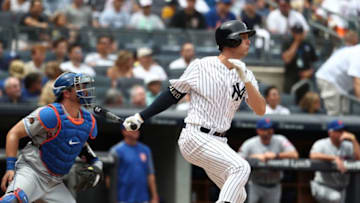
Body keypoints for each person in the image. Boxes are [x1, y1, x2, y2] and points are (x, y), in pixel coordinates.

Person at [123, 20, 266, 203]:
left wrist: (246, 79)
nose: (249, 42)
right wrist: (141, 117)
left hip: (219, 141)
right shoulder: (202, 66)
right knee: (241, 168)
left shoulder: (246, 73)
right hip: (196, 135)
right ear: (231, 41)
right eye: (244, 37)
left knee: (239, 196)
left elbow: (260, 110)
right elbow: (173, 94)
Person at [0, 72, 102, 203]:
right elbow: (14, 133)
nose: (85, 90)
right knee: (13, 200)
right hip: (32, 172)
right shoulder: (50, 113)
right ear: (66, 93)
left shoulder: (88, 120)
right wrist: (10, 167)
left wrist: (96, 168)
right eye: (80, 86)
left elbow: (87, 152)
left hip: (54, 182)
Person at [238, 118, 298, 203]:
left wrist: (277, 155)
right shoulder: (250, 143)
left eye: (270, 129)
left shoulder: (280, 139)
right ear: (258, 131)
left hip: (274, 185)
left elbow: (295, 154)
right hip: (255, 184)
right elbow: (237, 159)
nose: (268, 132)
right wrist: (254, 157)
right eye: (265, 129)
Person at [310, 119, 360, 203]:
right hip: (322, 186)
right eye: (338, 131)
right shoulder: (321, 144)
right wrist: (334, 158)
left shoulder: (348, 145)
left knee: (337, 197)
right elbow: (313, 156)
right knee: (335, 198)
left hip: (341, 188)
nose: (342, 133)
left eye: (342, 130)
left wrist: (354, 139)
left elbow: (359, 158)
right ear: (330, 133)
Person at [107, 127, 159, 203]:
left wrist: (154, 197)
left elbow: (150, 174)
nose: (136, 131)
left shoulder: (145, 150)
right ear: (124, 131)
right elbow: (109, 178)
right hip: (123, 198)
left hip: (142, 198)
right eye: (133, 128)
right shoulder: (116, 151)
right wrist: (113, 199)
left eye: (137, 128)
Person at [315, 43, 360, 115]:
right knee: (334, 114)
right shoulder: (358, 54)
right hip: (328, 79)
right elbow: (357, 82)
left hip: (342, 85)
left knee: (345, 113)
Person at [281, 24, 317, 93]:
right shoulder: (287, 43)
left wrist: (310, 72)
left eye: (300, 32)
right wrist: (296, 42)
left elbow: (315, 61)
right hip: (291, 76)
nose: (298, 35)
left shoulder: (308, 44)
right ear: (292, 33)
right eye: (296, 33)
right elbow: (287, 59)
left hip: (305, 76)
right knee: (289, 97)